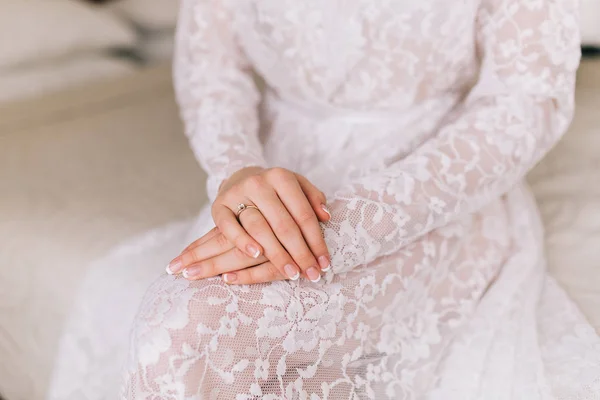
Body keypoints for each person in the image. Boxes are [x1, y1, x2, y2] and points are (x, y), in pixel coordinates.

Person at [50, 0, 600, 399]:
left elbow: (524, 102)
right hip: (267, 176)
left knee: (187, 338)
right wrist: (236, 174)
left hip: (430, 185)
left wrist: (344, 225)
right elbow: (214, 65)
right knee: (174, 334)